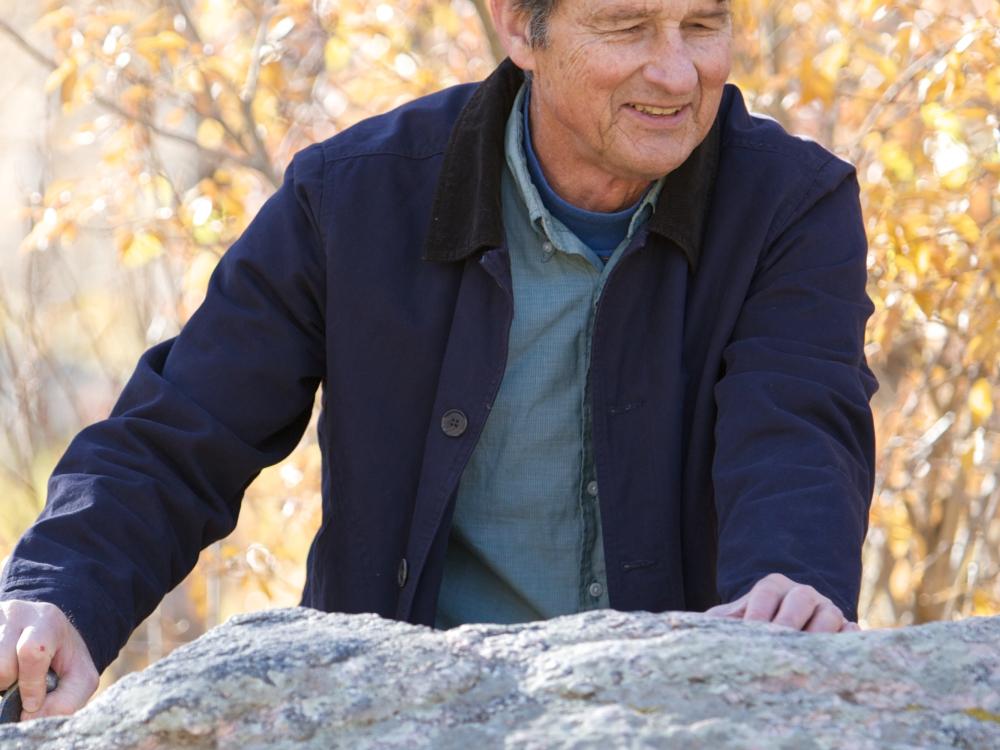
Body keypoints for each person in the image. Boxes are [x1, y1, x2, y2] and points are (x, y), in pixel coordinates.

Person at [0, 0, 876, 720]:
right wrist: (57, 595)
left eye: (703, 25)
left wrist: (788, 580)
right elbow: (186, 426)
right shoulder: (355, 196)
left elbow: (798, 422)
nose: (680, 73)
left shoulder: (793, 205)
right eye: (628, 28)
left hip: (671, 720)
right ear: (516, 27)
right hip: (400, 718)